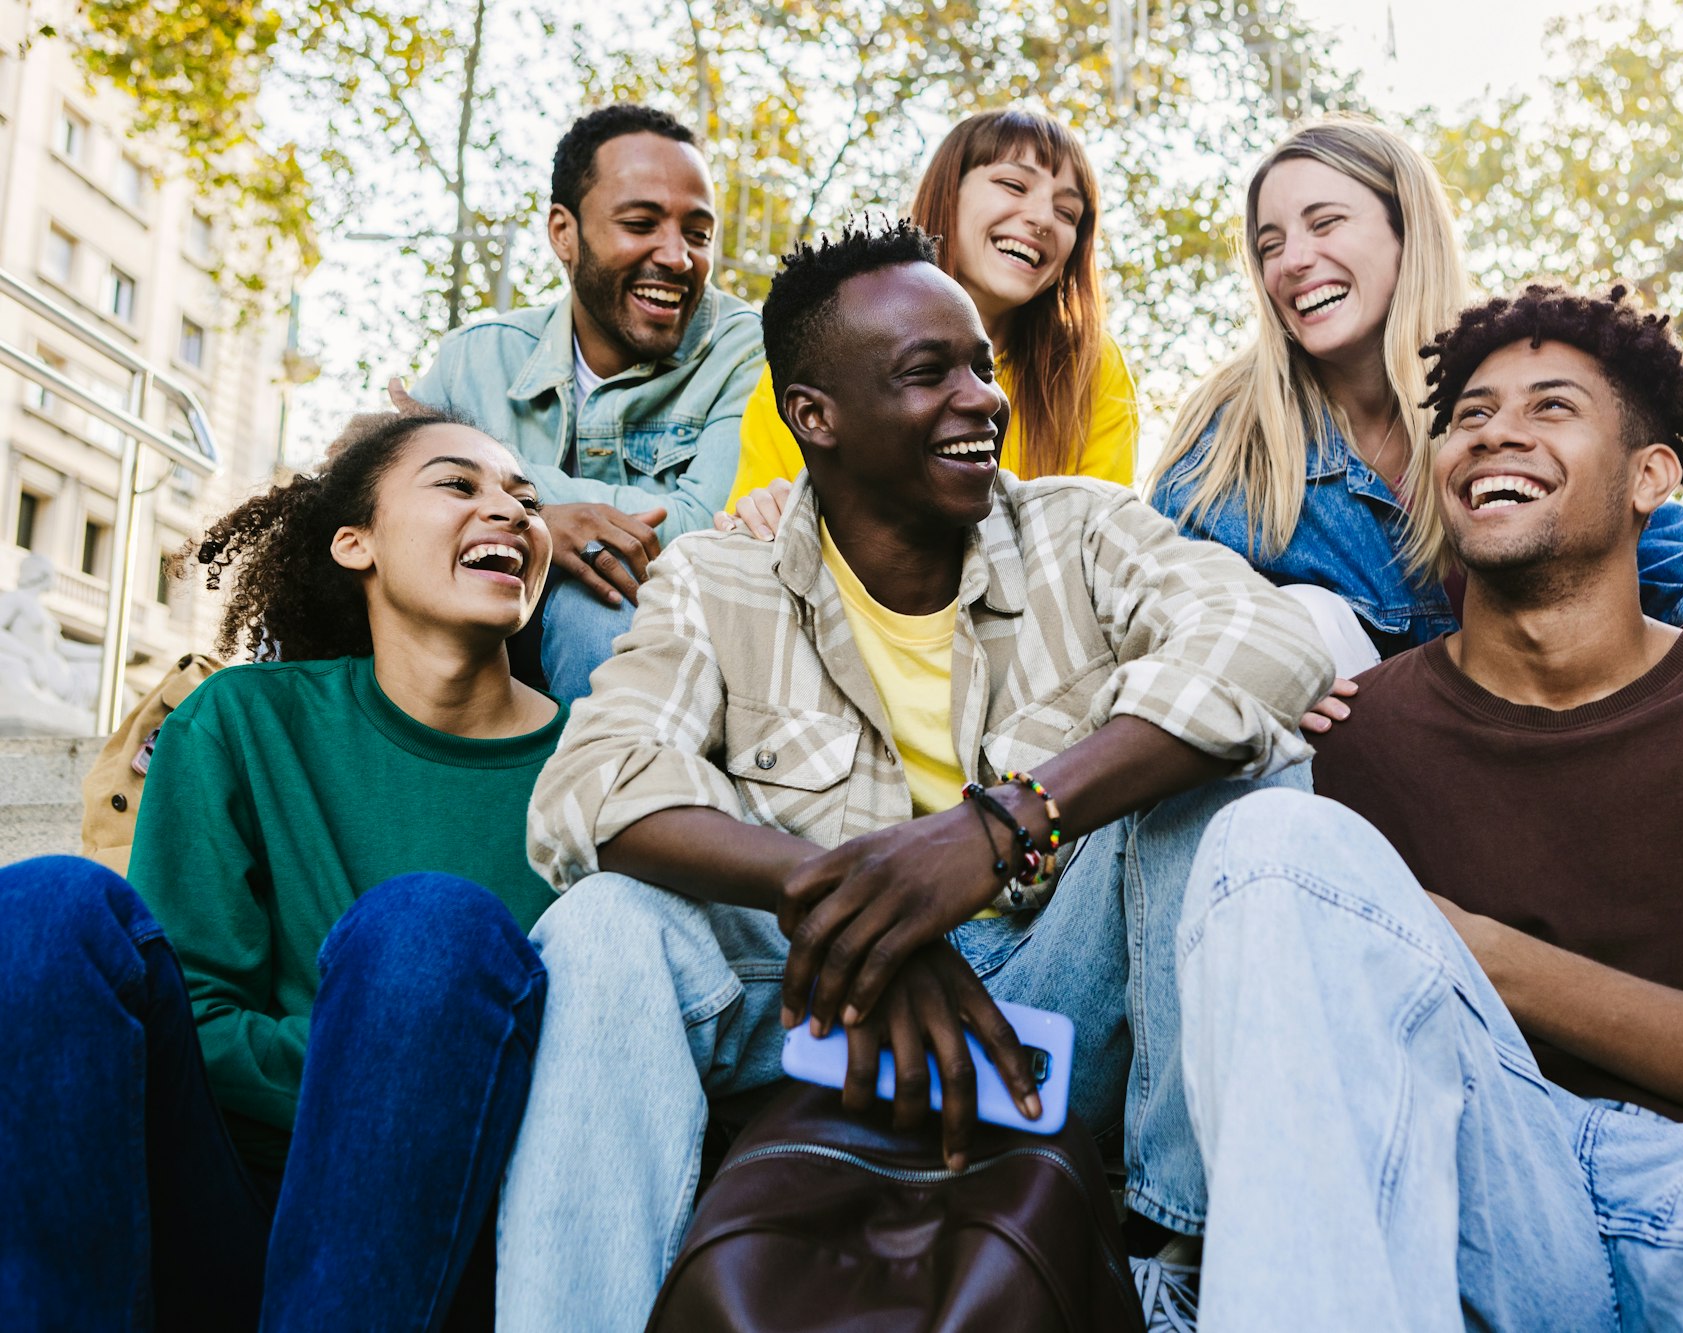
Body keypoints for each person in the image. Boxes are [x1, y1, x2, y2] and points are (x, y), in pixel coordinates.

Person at [496, 221, 1334, 1331]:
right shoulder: (719, 576)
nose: (981, 399)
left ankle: (1172, 1259)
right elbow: (589, 787)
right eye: (925, 372)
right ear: (814, 418)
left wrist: (995, 828)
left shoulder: (1076, 527)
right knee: (605, 922)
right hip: (824, 1006)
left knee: (1232, 790)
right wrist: (857, 906)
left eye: (979, 366)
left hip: (1055, 996)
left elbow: (1269, 645)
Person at [1176, 285, 1683, 1332]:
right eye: (1468, 415)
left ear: (1650, 474)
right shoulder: (1351, 740)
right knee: (1263, 831)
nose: (1495, 433)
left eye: (1549, 406)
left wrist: (1476, 953)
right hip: (1469, 1184)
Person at [0, 412, 567, 1329]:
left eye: (527, 500)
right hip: (215, 1204)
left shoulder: (605, 767)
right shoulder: (240, 721)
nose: (509, 510)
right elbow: (198, 1021)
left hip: (450, 1232)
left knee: (429, 928)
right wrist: (399, 1052)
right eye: (460, 486)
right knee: (44, 903)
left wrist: (414, 1041)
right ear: (357, 543)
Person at [1149, 116, 1683, 713]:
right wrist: (1262, 676)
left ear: (1407, 231)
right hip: (1336, 766)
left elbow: (1618, 508)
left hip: (1517, 738)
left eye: (1324, 223)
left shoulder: (1507, 371)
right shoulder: (1229, 441)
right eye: (1270, 243)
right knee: (1308, 618)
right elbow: (1164, 615)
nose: (1293, 261)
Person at [401, 104, 764, 702]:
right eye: (642, 224)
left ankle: (611, 794)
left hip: (664, 653)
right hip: (472, 632)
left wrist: (526, 510)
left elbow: (708, 530)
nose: (677, 257)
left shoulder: (746, 349)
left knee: (597, 599)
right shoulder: (475, 358)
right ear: (563, 234)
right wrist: (538, 525)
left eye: (698, 234)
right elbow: (394, 518)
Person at [718, 107, 1138, 539]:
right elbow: (761, 512)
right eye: (1014, 185)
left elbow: (1098, 538)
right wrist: (762, 511)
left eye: (1068, 213)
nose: (1043, 219)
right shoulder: (824, 347)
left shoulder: (1092, 366)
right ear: (948, 192)